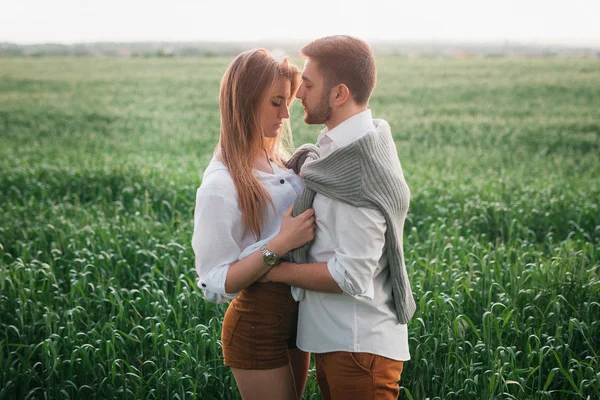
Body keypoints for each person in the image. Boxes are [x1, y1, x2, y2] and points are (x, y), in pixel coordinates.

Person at [261, 35, 416, 400]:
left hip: (360, 348)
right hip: (340, 342)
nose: (299, 94)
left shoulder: (357, 168)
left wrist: (270, 270)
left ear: (339, 94)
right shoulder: (343, 147)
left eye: (309, 85)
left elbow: (351, 275)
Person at [191, 49, 315, 400]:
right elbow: (215, 281)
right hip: (256, 325)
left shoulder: (274, 158)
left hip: (296, 315)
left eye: (287, 101)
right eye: (276, 102)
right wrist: (279, 244)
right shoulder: (220, 184)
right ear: (245, 102)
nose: (285, 113)